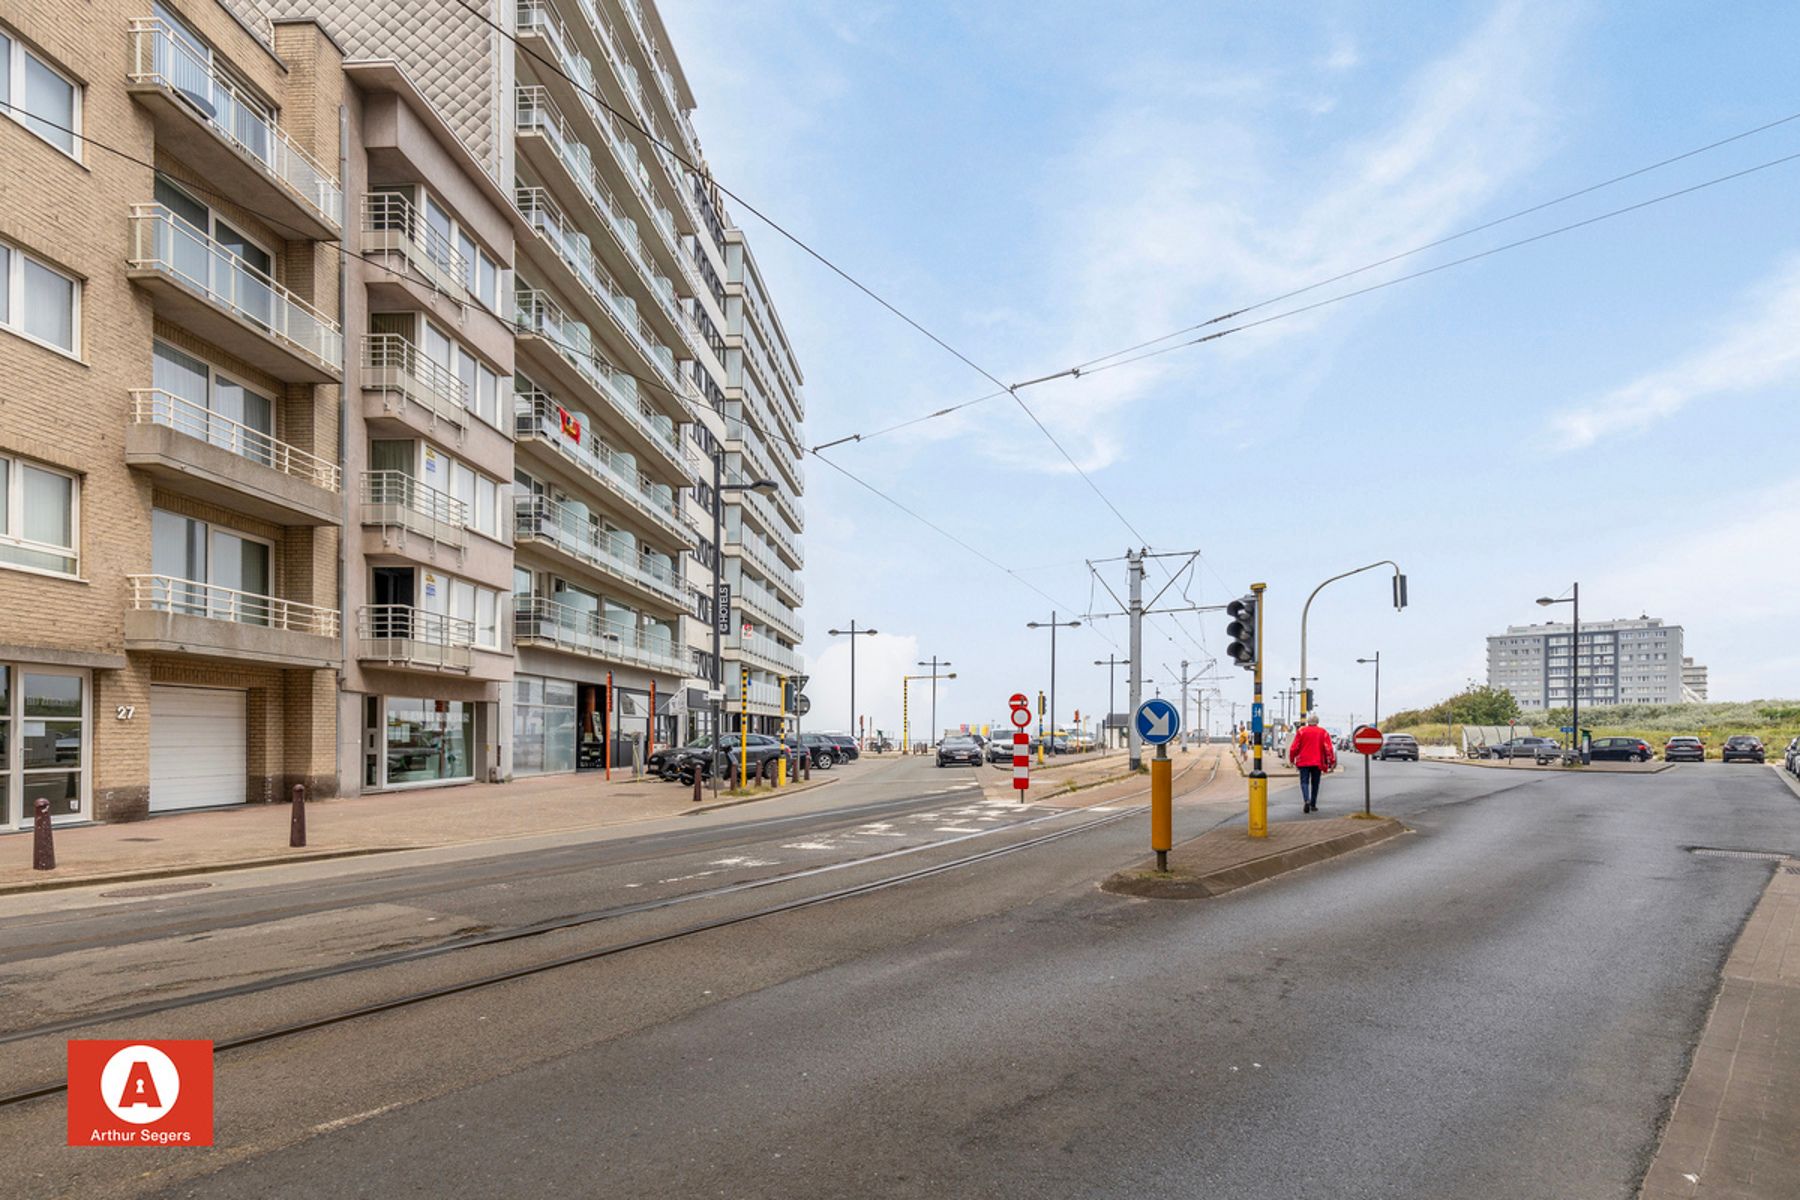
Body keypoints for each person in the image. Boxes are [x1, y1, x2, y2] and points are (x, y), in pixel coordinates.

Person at [1289, 712, 1337, 814]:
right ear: (1317, 722)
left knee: (1304, 782)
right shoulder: (1323, 732)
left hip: (1303, 761)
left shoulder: (1301, 731)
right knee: (1315, 783)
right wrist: (1331, 761)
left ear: (1308, 722)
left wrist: (1292, 759)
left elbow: (1294, 747)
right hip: (1317, 762)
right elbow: (1328, 748)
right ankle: (1313, 804)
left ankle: (1306, 799)